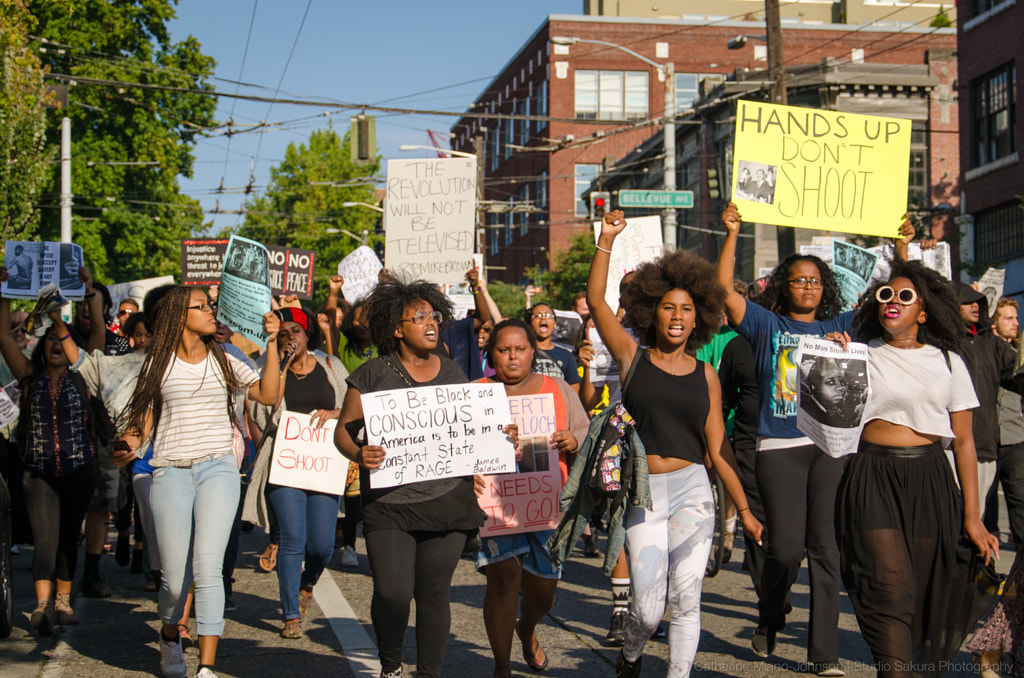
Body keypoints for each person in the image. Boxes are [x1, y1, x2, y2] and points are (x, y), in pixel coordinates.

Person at [589, 210, 762, 678]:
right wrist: (606, 240)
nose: (678, 317)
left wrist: (744, 512)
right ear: (652, 311)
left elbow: (719, 448)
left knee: (686, 599)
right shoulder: (631, 357)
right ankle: (631, 654)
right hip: (644, 494)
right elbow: (598, 304)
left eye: (688, 309)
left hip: (692, 491)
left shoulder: (707, 375)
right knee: (646, 610)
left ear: (700, 316)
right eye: (669, 307)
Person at [832, 261, 1000, 678]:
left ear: (923, 312)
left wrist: (973, 517)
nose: (893, 301)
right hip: (871, 478)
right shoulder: (859, 354)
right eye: (886, 294)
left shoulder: (948, 362)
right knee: (889, 590)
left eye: (905, 296)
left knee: (924, 593)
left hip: (930, 481)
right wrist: (830, 356)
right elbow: (828, 412)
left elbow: (963, 441)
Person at [717, 202, 853, 674]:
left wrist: (900, 249)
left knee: (825, 547)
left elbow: (892, 308)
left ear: (825, 287)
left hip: (829, 446)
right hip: (778, 447)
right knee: (787, 549)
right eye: (799, 279)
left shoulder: (842, 327)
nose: (808, 286)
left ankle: (825, 654)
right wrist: (734, 232)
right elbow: (721, 291)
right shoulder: (764, 326)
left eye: (815, 280)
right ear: (784, 285)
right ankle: (771, 615)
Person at [117, 286, 282, 678]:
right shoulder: (157, 363)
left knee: (209, 568)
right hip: (170, 471)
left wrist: (273, 343)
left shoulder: (226, 359)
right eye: (202, 307)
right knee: (175, 579)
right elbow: (143, 421)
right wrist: (128, 443)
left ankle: (206, 667)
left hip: (219, 469)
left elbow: (268, 392)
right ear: (179, 315)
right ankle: (171, 635)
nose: (211, 312)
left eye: (210, 306)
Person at [334, 277, 490, 678]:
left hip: (447, 500)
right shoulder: (372, 375)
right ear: (397, 328)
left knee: (434, 594)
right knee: (392, 593)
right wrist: (359, 452)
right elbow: (342, 432)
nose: (431, 322)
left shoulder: (454, 371)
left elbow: (469, 430)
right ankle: (391, 666)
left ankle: (429, 673)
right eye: (418, 317)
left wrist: (494, 437)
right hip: (389, 504)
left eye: (434, 315)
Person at [475, 318, 590, 677]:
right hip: (495, 507)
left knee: (543, 593)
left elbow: (584, 431)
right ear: (491, 354)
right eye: (503, 350)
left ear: (532, 352)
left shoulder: (557, 390)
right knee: (504, 580)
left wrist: (572, 440)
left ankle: (526, 628)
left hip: (547, 508)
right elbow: (459, 448)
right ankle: (501, 667)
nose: (512, 357)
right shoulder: (475, 393)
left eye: (520, 349)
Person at [0, 267, 102, 635]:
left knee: (66, 538)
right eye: (50, 343)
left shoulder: (85, 375)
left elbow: (98, 335)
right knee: (45, 539)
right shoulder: (29, 378)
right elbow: (3, 336)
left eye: (62, 342)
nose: (56, 347)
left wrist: (90, 293)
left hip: (78, 468)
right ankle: (42, 606)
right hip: (38, 471)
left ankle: (63, 600)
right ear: (42, 348)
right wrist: (4, 290)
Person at [245, 307, 349, 639]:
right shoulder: (268, 369)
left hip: (324, 466)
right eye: (284, 333)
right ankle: (291, 613)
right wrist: (282, 371)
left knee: (320, 546)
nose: (291, 338)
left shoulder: (332, 367)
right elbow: (262, 417)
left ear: (308, 335)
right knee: (292, 539)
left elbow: (351, 409)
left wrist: (334, 413)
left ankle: (309, 583)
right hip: (284, 466)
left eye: (297, 332)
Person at [956, 284, 1019, 524]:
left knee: (975, 525)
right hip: (945, 449)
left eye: (979, 302)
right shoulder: (939, 342)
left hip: (982, 448)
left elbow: (1017, 374)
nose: (975, 306)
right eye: (968, 301)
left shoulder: (991, 343)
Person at [986, 297, 1024, 548]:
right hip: (986, 439)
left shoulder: (1018, 355)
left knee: (1020, 503)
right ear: (994, 324)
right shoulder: (983, 351)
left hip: (1015, 438)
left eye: (1016, 318)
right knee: (986, 508)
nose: (1015, 323)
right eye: (1008, 318)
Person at [528, 302, 581, 393]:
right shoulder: (523, 354)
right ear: (530, 323)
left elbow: (573, 388)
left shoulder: (566, 355)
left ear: (555, 323)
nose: (543, 318)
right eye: (538, 315)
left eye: (548, 315)